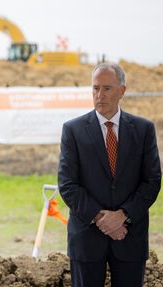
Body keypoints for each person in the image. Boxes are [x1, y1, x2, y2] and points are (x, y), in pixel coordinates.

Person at [58, 62, 161, 287]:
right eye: (95, 88)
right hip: (86, 239)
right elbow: (67, 184)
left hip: (129, 236)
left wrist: (122, 216)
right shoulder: (73, 130)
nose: (99, 95)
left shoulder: (143, 129)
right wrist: (101, 218)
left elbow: (152, 181)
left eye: (107, 88)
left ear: (122, 91)